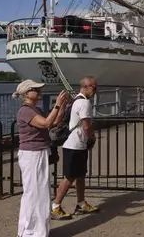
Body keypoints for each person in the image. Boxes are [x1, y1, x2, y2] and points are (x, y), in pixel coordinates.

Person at [14, 80, 70, 237]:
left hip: (38, 153)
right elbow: (46, 123)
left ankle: (38, 230)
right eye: (35, 90)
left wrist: (62, 106)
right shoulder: (25, 111)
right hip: (31, 155)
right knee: (33, 193)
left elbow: (54, 122)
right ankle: (28, 231)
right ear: (26, 93)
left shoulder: (34, 109)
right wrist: (57, 105)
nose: (39, 92)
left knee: (41, 193)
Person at [51, 76, 100, 220]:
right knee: (70, 176)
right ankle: (55, 206)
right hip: (76, 145)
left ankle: (81, 203)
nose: (95, 91)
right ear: (86, 87)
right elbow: (86, 125)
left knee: (80, 175)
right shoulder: (84, 103)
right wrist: (92, 137)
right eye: (94, 88)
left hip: (74, 144)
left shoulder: (76, 100)